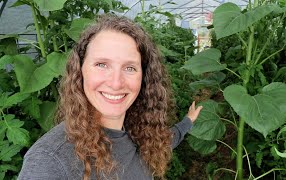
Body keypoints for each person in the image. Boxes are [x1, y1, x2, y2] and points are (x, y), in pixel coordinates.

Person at [18, 14, 203, 180]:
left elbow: (166, 140)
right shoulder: (51, 161)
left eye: (129, 68)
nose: (116, 83)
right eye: (101, 64)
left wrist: (189, 120)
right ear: (80, 71)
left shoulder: (142, 133)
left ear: (144, 78)